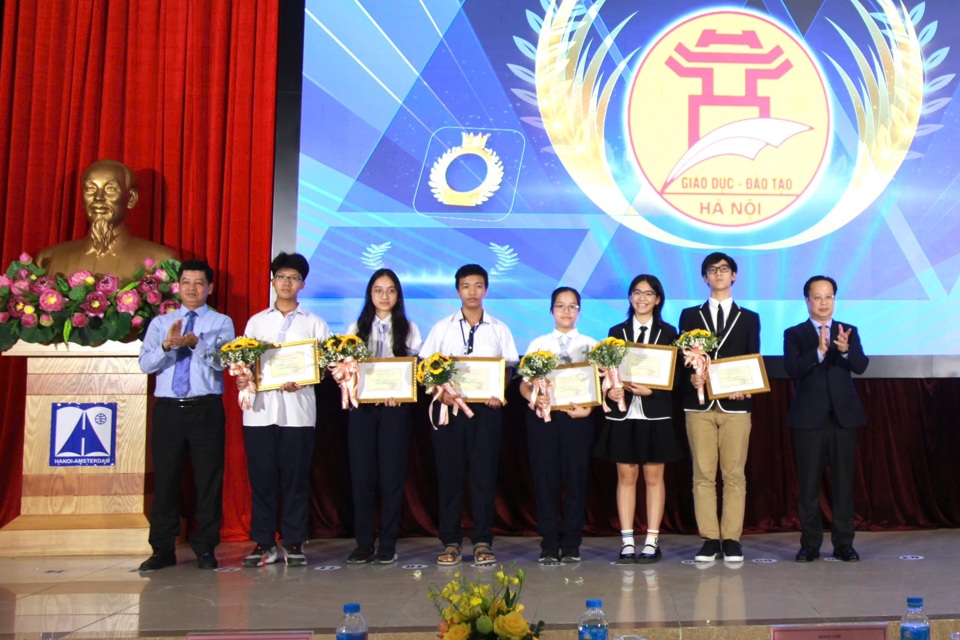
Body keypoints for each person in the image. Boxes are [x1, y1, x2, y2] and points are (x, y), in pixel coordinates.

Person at [137, 259, 235, 571]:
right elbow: (145, 365)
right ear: (178, 286)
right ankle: (162, 549)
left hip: (205, 408)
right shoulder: (160, 323)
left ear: (210, 288)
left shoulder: (221, 322)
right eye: (187, 282)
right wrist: (167, 345)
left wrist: (197, 343)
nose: (192, 288)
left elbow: (223, 363)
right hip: (168, 410)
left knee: (208, 479)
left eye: (199, 283)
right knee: (166, 479)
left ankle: (205, 547)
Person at [418, 264, 519, 566]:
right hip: (448, 411)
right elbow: (425, 368)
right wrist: (441, 391)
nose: (472, 292)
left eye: (478, 286)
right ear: (457, 290)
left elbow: (510, 368)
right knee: (449, 477)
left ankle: (482, 540)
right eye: (466, 286)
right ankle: (450, 540)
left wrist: (499, 392)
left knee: (483, 477)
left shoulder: (499, 328)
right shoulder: (442, 327)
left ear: (486, 289)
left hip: (486, 413)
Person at [237, 252, 330, 567]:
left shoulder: (315, 323)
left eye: (294, 278)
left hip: (298, 413)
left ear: (302, 284)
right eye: (281, 277)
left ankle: (293, 542)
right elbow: (245, 361)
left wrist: (305, 379)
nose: (287, 283)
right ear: (272, 281)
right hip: (259, 412)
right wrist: (243, 375)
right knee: (262, 480)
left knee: (295, 479)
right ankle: (264, 543)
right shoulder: (257, 322)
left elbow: (327, 366)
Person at [594, 275, 681, 564]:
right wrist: (611, 386)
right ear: (630, 297)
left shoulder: (669, 333)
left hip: (655, 412)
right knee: (626, 475)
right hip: (623, 412)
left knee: (654, 477)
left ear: (658, 299)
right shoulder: (615, 332)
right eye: (636, 293)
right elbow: (606, 371)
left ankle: (652, 541)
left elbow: (675, 377)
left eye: (648, 293)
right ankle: (628, 541)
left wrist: (651, 389)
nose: (642, 298)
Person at [679, 252, 760, 563]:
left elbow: (752, 359)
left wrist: (746, 386)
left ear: (734, 276)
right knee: (702, 474)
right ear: (705, 278)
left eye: (724, 269)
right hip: (698, 406)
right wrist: (693, 379)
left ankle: (732, 539)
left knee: (734, 475)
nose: (719, 274)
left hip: (737, 407)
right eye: (712, 270)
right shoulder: (689, 315)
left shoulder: (749, 317)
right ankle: (710, 539)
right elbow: (684, 359)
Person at [784, 276, 869, 562]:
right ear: (807, 300)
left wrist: (844, 350)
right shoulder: (794, 333)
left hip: (844, 418)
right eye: (817, 297)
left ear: (834, 299)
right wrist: (819, 352)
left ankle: (844, 543)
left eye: (828, 297)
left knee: (844, 483)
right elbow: (791, 368)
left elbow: (861, 366)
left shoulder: (849, 331)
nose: (823, 303)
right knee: (808, 484)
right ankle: (810, 544)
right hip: (809, 419)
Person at [344, 269, 422, 565]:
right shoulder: (356, 327)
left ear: (398, 295)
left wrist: (398, 391)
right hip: (362, 409)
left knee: (391, 476)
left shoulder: (409, 328)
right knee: (361, 476)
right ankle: (364, 543)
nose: (385, 296)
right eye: (379, 290)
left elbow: (415, 370)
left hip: (395, 409)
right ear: (370, 294)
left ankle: (388, 542)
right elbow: (347, 369)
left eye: (391, 290)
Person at [520, 287, 597, 564]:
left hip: (577, 419)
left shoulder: (591, 344)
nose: (566, 311)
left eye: (572, 306)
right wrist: (535, 398)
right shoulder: (538, 344)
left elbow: (597, 385)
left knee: (576, 480)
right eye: (560, 306)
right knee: (545, 480)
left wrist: (588, 409)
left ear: (579, 311)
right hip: (544, 419)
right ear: (551, 310)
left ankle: (572, 543)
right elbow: (523, 384)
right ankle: (549, 544)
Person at [36, 160, 177, 278]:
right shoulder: (49, 259)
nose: (98, 198)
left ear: (131, 199)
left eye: (110, 189)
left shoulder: (162, 261)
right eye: (90, 189)